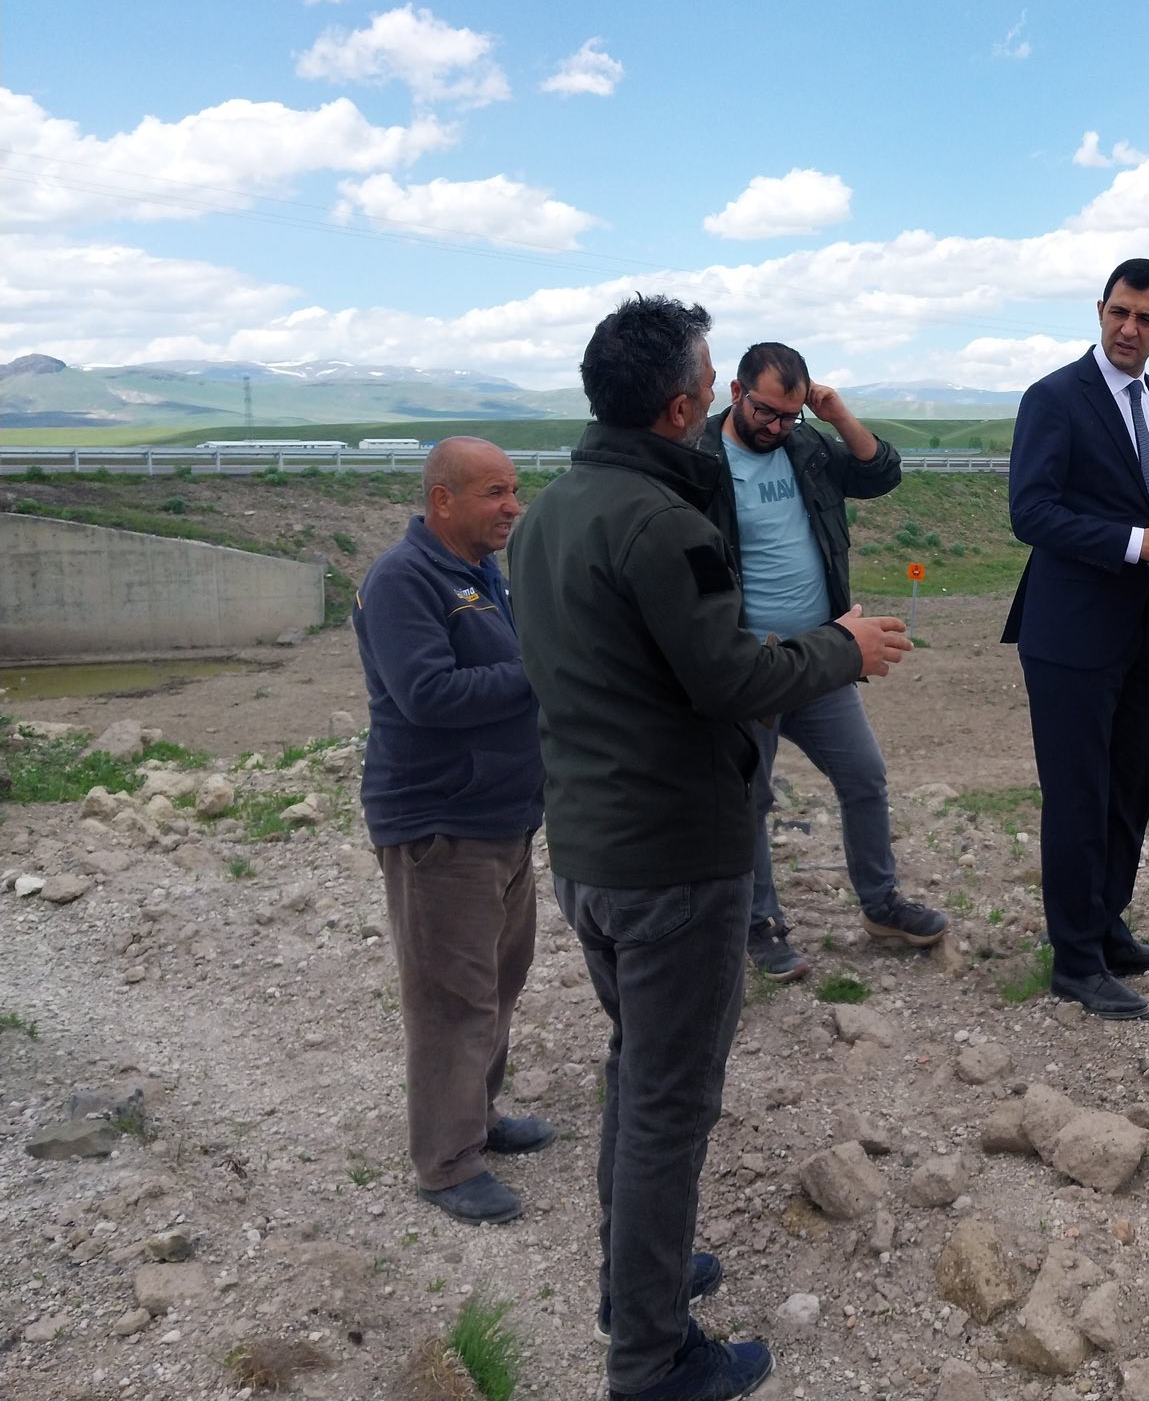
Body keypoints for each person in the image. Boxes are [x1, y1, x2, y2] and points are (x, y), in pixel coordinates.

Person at [509, 295, 912, 1401]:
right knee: (666, 1110)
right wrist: (841, 647)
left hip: (591, 854)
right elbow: (728, 679)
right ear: (688, 404)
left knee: (635, 1077)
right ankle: (649, 1356)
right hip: (673, 862)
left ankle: (632, 1278)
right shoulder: (663, 522)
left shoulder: (550, 512)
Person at [687, 340, 947, 980]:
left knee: (864, 776)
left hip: (823, 653)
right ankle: (759, 926)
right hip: (749, 662)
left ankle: (881, 904)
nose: (776, 427)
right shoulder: (698, 461)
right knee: (750, 799)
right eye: (767, 413)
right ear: (736, 394)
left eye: (790, 415)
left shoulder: (805, 447)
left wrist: (836, 418)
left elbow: (881, 473)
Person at [352, 437, 550, 1226]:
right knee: (451, 999)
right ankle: (445, 1162)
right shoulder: (403, 579)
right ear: (442, 500)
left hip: (501, 820)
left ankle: (478, 1117)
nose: (512, 506)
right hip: (440, 825)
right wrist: (546, 668)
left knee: (497, 982)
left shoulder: (478, 574)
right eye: (494, 492)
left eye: (514, 490)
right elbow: (427, 693)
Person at [1002, 258, 1149, 1021]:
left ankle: (1108, 925)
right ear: (1099, 310)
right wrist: (1136, 543)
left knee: (1129, 789)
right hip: (1068, 634)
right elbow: (1032, 512)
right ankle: (1075, 960)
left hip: (1142, 627)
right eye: (1119, 312)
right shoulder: (1054, 398)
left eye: (1145, 319)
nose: (1129, 329)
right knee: (1079, 795)